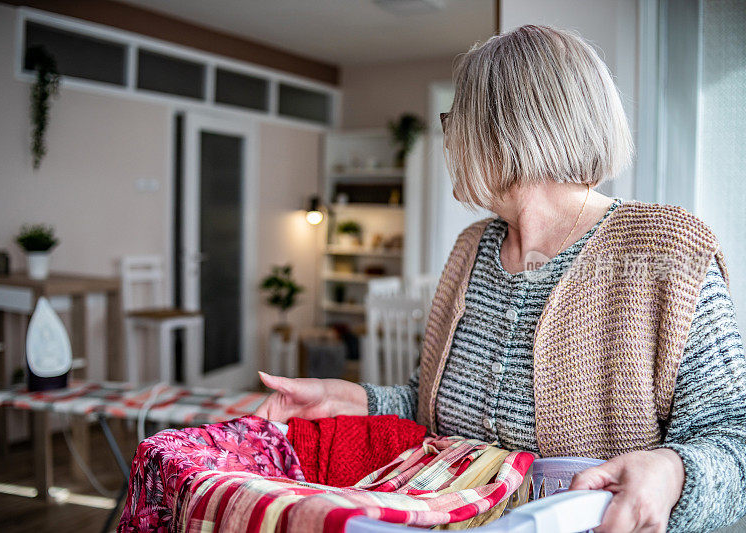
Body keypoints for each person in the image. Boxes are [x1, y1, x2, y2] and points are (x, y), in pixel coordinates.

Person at [255, 25, 746, 533]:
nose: (450, 137)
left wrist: (671, 472)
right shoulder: (471, 248)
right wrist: (354, 400)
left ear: (505, 130)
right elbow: (433, 412)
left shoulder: (665, 250)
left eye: (455, 119)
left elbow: (735, 439)